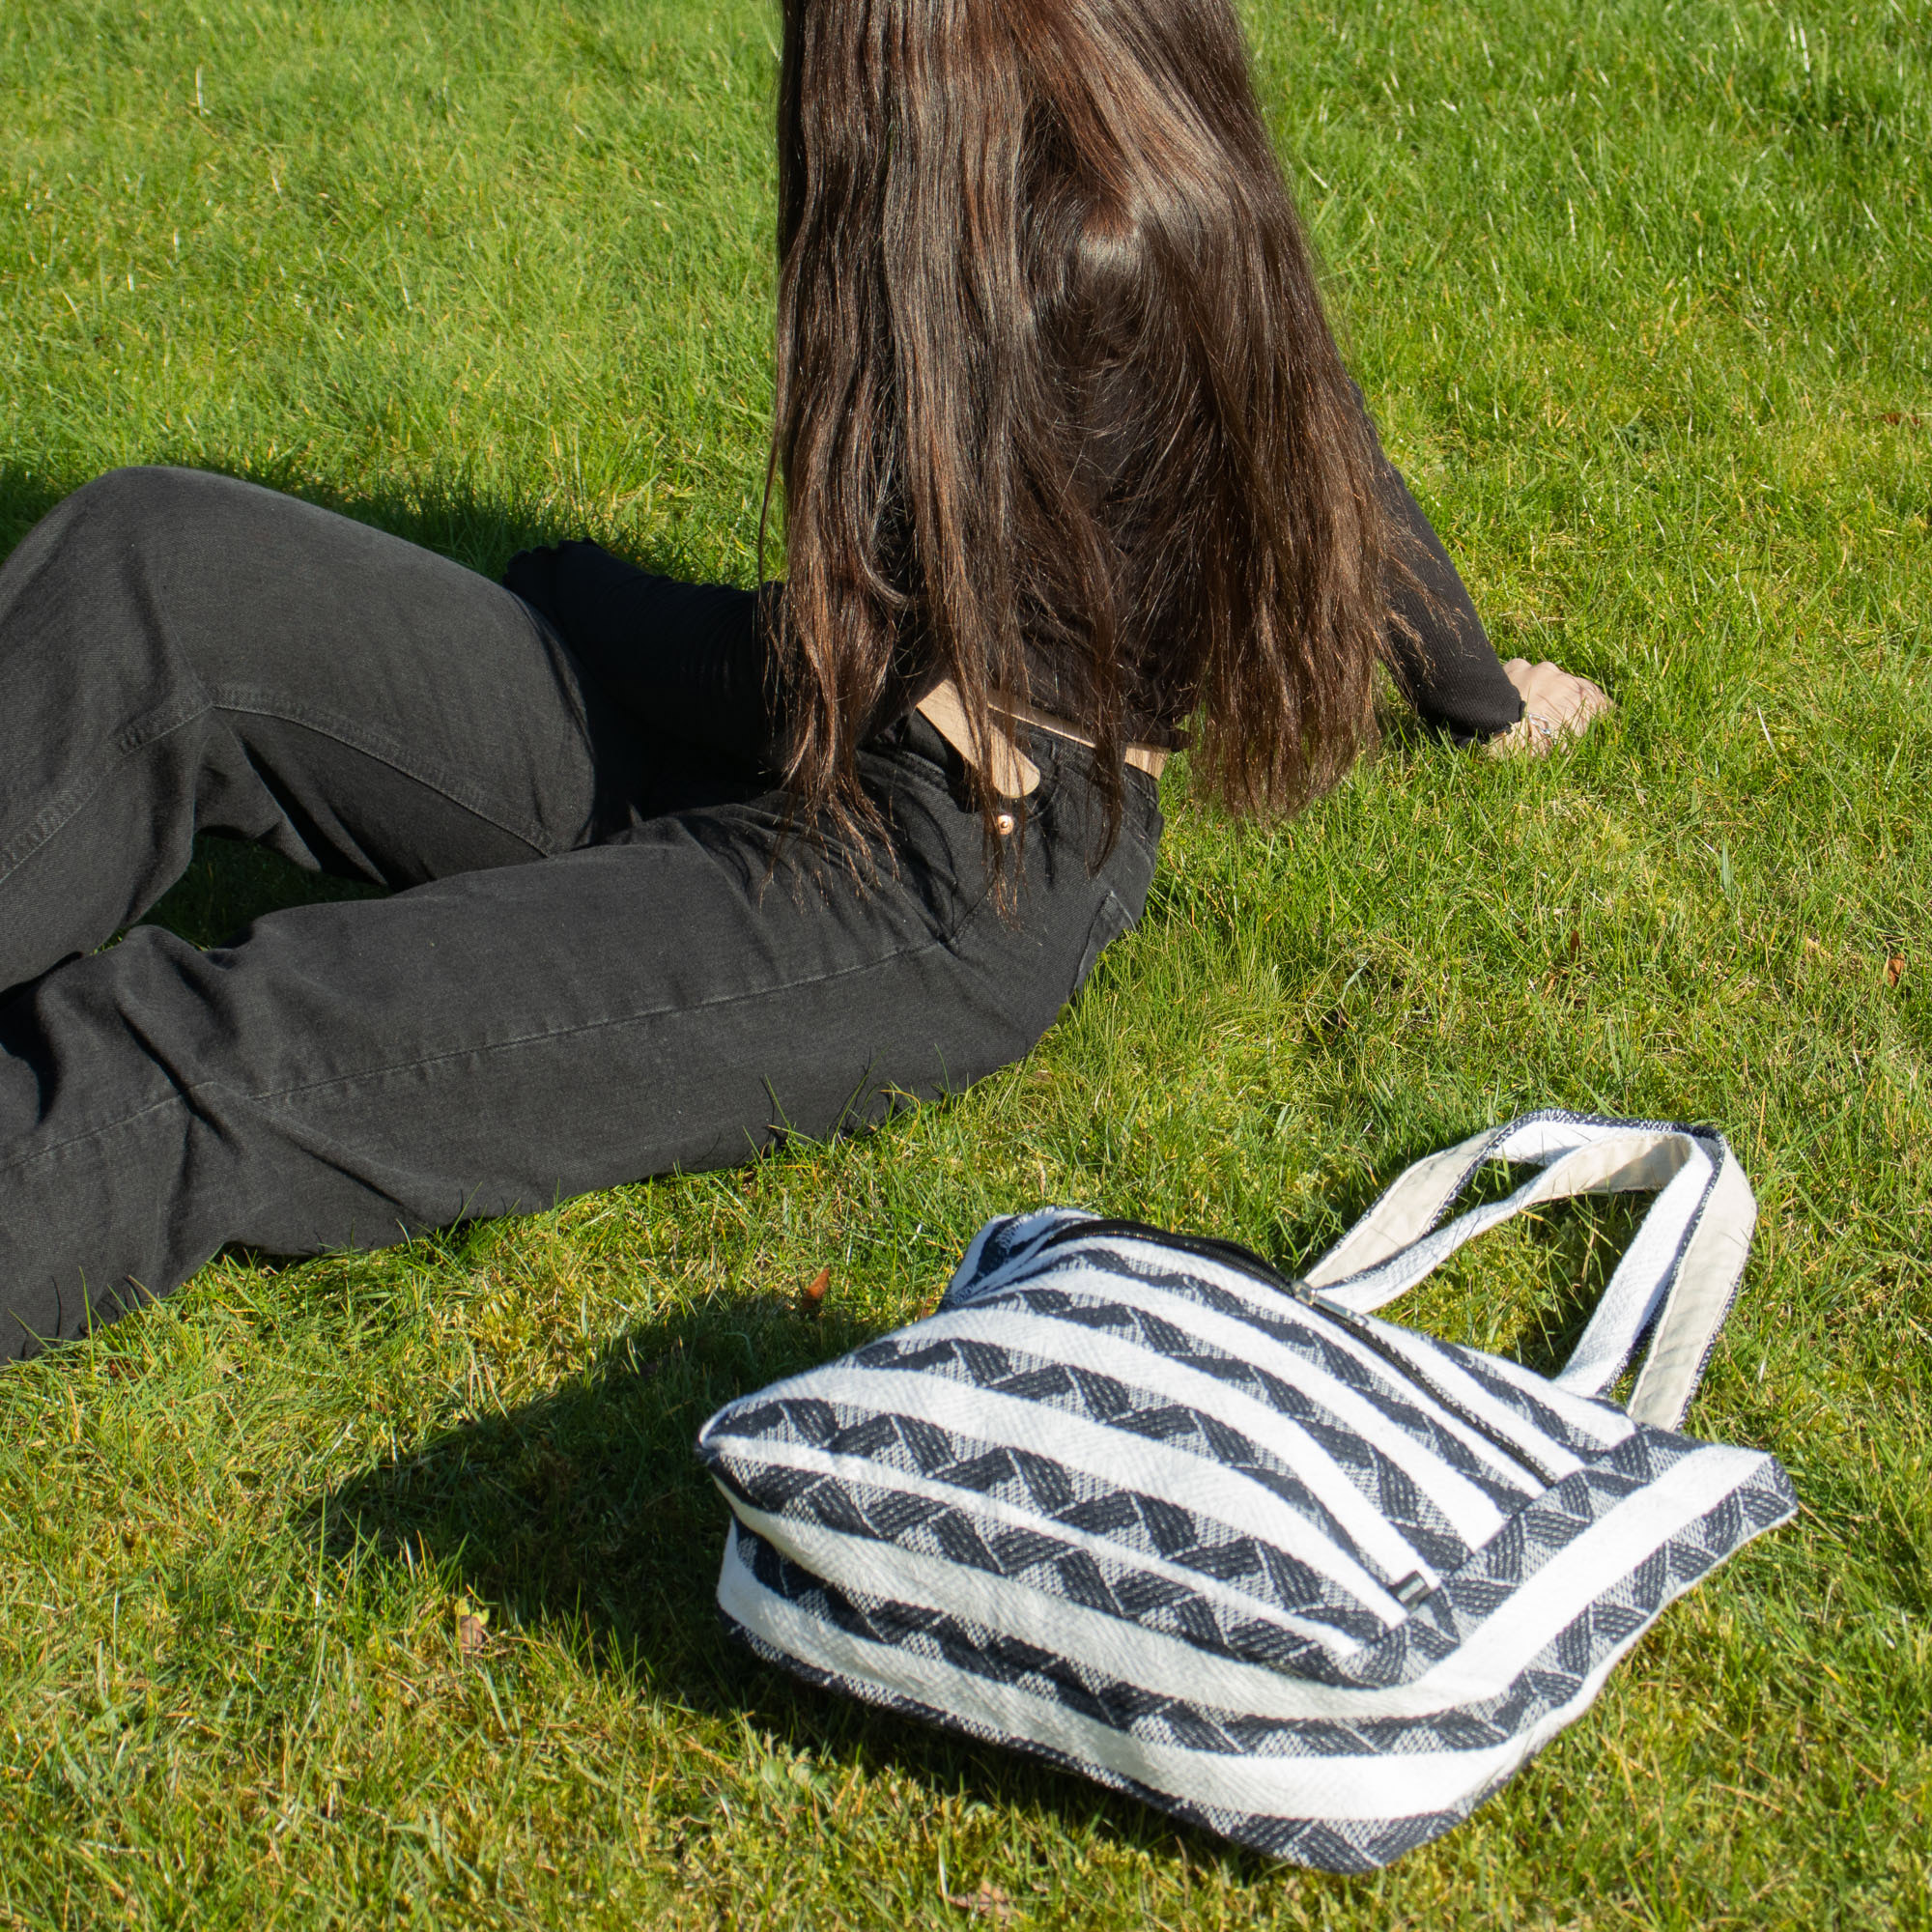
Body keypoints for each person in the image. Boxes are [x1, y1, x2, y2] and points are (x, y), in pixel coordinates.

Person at [0, 0, 1606, 1359]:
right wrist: (570, 607)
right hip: (808, 697)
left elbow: (1303, 425)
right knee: (162, 564)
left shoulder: (1092, 224)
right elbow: (1305, 405)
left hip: (954, 859)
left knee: (206, 1056)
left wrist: (1478, 697)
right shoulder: (1041, 97)